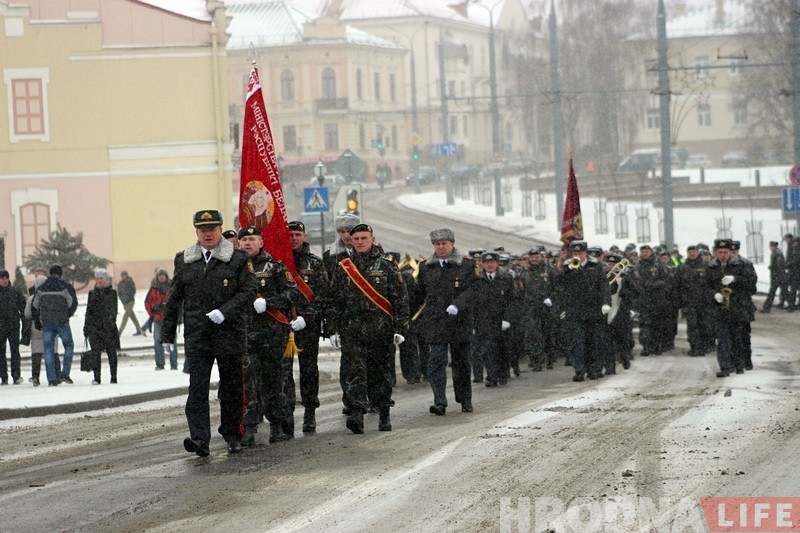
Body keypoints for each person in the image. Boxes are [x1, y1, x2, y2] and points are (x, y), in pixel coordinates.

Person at [161, 210, 257, 456]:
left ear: (219, 230)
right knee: (197, 388)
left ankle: (232, 434)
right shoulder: (185, 260)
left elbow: (248, 292)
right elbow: (174, 299)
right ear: (196, 232)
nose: (208, 234)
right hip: (198, 334)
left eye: (213, 229)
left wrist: (225, 312)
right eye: (203, 230)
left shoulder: (237, 259)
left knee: (232, 388)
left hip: (229, 333)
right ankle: (199, 437)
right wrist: (166, 334)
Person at [329, 223, 409, 433]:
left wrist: (401, 328)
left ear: (372, 239)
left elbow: (400, 299)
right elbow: (334, 301)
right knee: (354, 373)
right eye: (356, 239)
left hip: (380, 331)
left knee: (380, 374)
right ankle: (356, 413)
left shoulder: (387, 266)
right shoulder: (343, 267)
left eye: (364, 238)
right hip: (352, 330)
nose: (360, 242)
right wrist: (332, 329)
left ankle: (384, 412)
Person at [239, 226, 303, 445]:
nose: (248, 243)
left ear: (261, 242)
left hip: (272, 334)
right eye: (244, 239)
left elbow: (293, 292)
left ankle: (276, 424)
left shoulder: (275, 267)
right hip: (245, 333)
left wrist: (269, 303)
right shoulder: (235, 268)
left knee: (273, 381)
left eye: (252, 239)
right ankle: (248, 427)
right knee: (247, 382)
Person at [416, 228, 478, 415]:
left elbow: (474, 289)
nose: (441, 247)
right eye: (437, 244)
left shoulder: (466, 265)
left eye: (444, 243)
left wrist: (458, 304)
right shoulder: (426, 267)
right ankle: (440, 401)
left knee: (461, 364)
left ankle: (465, 399)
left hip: (459, 321)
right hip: (436, 322)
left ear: (452, 243)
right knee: (435, 362)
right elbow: (420, 294)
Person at [287, 220, 330, 434]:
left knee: (308, 370)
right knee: (283, 372)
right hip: (282, 324)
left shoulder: (315, 263)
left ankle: (310, 412)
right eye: (290, 234)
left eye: (297, 234)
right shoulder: (277, 262)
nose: (293, 238)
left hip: (307, 325)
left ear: (304, 236)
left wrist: (307, 316)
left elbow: (323, 296)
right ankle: (285, 415)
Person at [553, 241, 611, 381]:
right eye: (575, 253)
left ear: (586, 253)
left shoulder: (595, 266)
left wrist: (605, 303)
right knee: (576, 343)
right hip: (574, 311)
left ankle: (594, 370)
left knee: (593, 342)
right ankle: (579, 370)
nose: (577, 255)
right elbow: (560, 287)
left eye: (580, 253)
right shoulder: (568, 266)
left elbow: (603, 286)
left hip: (593, 311)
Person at [460, 251, 516, 387]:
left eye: (492, 262)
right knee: (487, 350)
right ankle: (492, 376)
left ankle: (503, 373)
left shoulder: (506, 278)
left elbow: (512, 301)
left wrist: (507, 318)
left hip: (502, 320)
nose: (489, 265)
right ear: (483, 264)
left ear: (497, 263)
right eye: (486, 263)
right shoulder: (477, 279)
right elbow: (473, 302)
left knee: (503, 349)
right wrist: (473, 322)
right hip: (484, 321)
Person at [706, 238, 755, 377]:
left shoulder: (740, 265)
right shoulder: (711, 266)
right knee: (722, 339)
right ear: (716, 252)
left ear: (730, 252)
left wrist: (735, 280)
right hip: (720, 309)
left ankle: (739, 364)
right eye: (720, 252)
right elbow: (705, 287)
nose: (723, 255)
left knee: (737, 338)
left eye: (725, 252)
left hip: (737, 307)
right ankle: (725, 367)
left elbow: (751, 284)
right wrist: (713, 294)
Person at [31, 264, 78, 386]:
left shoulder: (41, 288)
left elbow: (34, 305)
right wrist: (67, 314)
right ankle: (65, 373)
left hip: (47, 322)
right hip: (62, 321)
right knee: (69, 345)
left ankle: (52, 379)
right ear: (60, 273)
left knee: (48, 350)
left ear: (49, 274)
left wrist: (37, 320)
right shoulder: (66, 286)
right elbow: (73, 303)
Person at [676, 245, 715, 356]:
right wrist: (679, 301)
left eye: (694, 252)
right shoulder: (682, 268)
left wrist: (710, 298)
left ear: (698, 253)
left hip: (703, 302)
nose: (692, 254)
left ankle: (703, 346)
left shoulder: (706, 267)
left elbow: (712, 284)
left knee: (704, 325)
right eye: (690, 252)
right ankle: (695, 347)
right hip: (689, 303)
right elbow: (677, 286)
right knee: (692, 326)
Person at [84, 269, 119, 385]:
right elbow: (88, 311)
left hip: (109, 328)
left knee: (111, 353)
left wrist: (109, 322)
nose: (99, 280)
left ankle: (113, 377)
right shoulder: (92, 293)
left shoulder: (112, 293)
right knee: (95, 354)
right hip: (95, 328)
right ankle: (97, 378)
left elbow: (114, 311)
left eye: (101, 278)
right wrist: (86, 326)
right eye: (97, 278)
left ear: (107, 279)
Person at [25, 275, 58, 386]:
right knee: (53, 352)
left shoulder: (32, 298)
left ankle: (35, 376)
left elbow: (27, 314)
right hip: (51, 327)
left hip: (37, 328)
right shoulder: (53, 297)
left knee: (36, 354)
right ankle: (55, 375)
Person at [144, 269, 179, 370]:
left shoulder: (172, 288)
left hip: (170, 319)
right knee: (158, 342)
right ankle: (160, 364)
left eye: (163, 275)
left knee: (172, 342)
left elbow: (177, 301)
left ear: (166, 276)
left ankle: (174, 364)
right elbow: (147, 303)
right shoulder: (153, 289)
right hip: (158, 319)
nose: (161, 277)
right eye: (159, 276)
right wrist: (153, 312)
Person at [0, 269, 26, 385]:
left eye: (6, 278)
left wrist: (24, 322)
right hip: (1, 327)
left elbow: (23, 308)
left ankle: (16, 376)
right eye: (2, 278)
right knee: (1, 353)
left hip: (13, 326)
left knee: (15, 351)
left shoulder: (15, 292)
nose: (4, 281)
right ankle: (3, 377)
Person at [761, 241, 787, 313]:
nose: (769, 248)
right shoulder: (775, 253)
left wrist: (771, 267)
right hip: (778, 276)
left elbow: (779, 265)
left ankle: (766, 308)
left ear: (774, 246)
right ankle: (791, 305)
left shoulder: (777, 254)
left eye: (770, 246)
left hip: (778, 276)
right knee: (785, 292)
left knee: (772, 293)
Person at [117, 270, 144, 336]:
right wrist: (122, 300)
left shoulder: (130, 282)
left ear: (127, 275)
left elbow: (133, 291)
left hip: (130, 301)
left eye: (124, 275)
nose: (123, 277)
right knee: (133, 317)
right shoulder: (120, 283)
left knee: (125, 316)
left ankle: (119, 332)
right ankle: (139, 330)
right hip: (124, 303)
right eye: (122, 275)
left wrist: (129, 297)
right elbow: (119, 293)